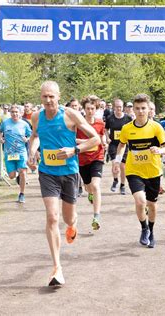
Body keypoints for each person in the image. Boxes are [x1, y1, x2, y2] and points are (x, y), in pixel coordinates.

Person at [28, 81, 100, 286]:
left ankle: (73, 224)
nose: (48, 100)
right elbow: (34, 137)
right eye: (44, 97)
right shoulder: (36, 117)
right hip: (47, 173)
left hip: (69, 173)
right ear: (40, 97)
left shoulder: (70, 115)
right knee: (52, 217)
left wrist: (74, 150)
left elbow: (95, 139)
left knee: (68, 219)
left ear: (59, 96)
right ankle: (57, 268)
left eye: (52, 96)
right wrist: (32, 152)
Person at [113, 94, 165, 249]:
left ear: (149, 109)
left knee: (151, 205)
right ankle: (144, 228)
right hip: (134, 171)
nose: (140, 111)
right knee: (140, 201)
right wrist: (117, 162)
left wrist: (159, 150)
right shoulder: (127, 128)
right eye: (137, 108)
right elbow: (121, 145)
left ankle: (151, 231)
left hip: (153, 171)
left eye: (143, 108)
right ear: (133, 109)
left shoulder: (156, 127)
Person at [77, 95, 107, 230]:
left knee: (95, 186)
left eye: (92, 108)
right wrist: (88, 142)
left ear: (96, 109)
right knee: (88, 187)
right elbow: (74, 140)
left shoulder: (100, 123)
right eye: (88, 108)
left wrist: (104, 142)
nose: (90, 111)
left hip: (97, 157)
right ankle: (89, 193)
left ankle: (96, 216)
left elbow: (101, 138)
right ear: (84, 109)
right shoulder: (79, 124)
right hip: (83, 159)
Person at [0, 105, 32, 203]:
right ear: (10, 113)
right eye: (13, 112)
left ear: (20, 113)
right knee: (11, 176)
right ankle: (17, 175)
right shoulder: (5, 123)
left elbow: (31, 135)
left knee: (23, 172)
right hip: (9, 153)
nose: (15, 114)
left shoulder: (24, 124)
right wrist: (1, 138)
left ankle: (21, 194)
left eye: (16, 112)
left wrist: (27, 139)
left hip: (21, 152)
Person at [105, 98, 133, 194]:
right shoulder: (110, 118)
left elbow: (131, 130)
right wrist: (107, 137)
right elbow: (106, 129)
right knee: (114, 164)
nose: (119, 109)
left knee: (122, 166)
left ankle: (122, 185)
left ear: (123, 107)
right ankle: (115, 180)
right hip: (114, 144)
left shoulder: (128, 118)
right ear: (114, 107)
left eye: (120, 107)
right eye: (117, 107)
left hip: (124, 145)